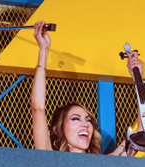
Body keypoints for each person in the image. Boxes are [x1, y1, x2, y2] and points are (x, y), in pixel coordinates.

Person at [30, 21, 139, 156]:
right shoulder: (50, 159)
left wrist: (137, 77)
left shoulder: (104, 165)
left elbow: (141, 133)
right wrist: (44, 50)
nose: (85, 124)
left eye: (88, 120)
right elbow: (38, 108)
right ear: (58, 130)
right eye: (76, 119)